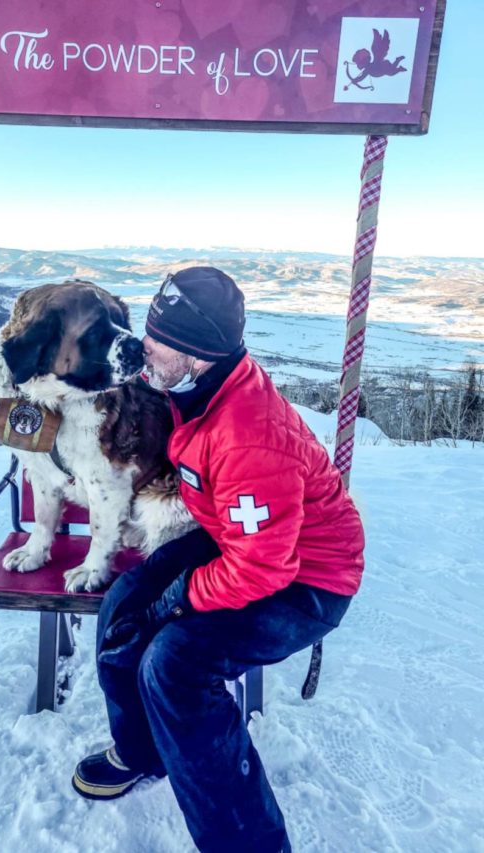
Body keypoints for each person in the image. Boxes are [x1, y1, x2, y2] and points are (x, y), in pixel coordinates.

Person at [71, 266, 365, 852]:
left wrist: (180, 601)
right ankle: (142, 752)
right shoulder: (185, 385)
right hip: (239, 538)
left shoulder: (249, 435)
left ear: (197, 353)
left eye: (155, 342)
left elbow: (263, 568)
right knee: (125, 608)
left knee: (175, 666)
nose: (142, 349)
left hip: (309, 576)